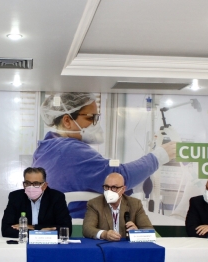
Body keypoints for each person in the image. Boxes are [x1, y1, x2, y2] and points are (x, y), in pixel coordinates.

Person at [33, 92, 176, 218]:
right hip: (80, 228)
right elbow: (119, 176)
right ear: (67, 121)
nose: (95, 124)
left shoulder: (46, 149)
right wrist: (158, 157)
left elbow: (86, 180)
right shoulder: (71, 150)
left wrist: (135, 185)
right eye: (91, 118)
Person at [1, 167, 72, 238]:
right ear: (23, 184)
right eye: (27, 183)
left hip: (48, 243)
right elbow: (6, 230)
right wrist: (41, 231)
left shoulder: (56, 197)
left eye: (36, 183)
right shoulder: (15, 197)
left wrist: (33, 227)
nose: (31, 187)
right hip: (23, 243)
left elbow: (66, 229)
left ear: (44, 186)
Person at [83, 172, 152, 241]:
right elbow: (87, 229)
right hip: (105, 245)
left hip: (127, 246)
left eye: (114, 187)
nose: (109, 191)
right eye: (106, 187)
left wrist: (137, 232)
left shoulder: (135, 204)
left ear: (123, 189)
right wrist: (104, 234)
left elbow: (149, 230)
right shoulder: (95, 204)